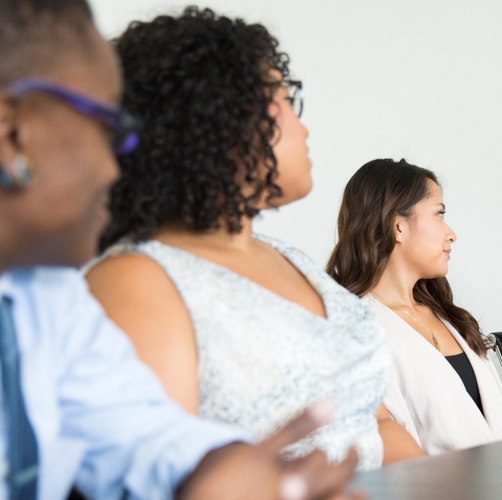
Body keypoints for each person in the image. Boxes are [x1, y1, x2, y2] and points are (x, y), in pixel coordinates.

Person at [0, 0, 363, 498]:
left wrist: (222, 469)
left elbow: (143, 434)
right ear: (10, 132)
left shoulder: (47, 296)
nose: (116, 167)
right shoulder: (130, 278)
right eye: (110, 129)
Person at [83, 8, 422, 469]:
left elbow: (375, 424)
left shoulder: (290, 259)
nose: (303, 126)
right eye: (285, 97)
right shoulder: (136, 281)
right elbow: (164, 481)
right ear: (218, 114)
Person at [326, 159, 502, 455]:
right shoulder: (355, 329)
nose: (451, 233)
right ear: (398, 226)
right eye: (439, 214)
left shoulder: (449, 317)